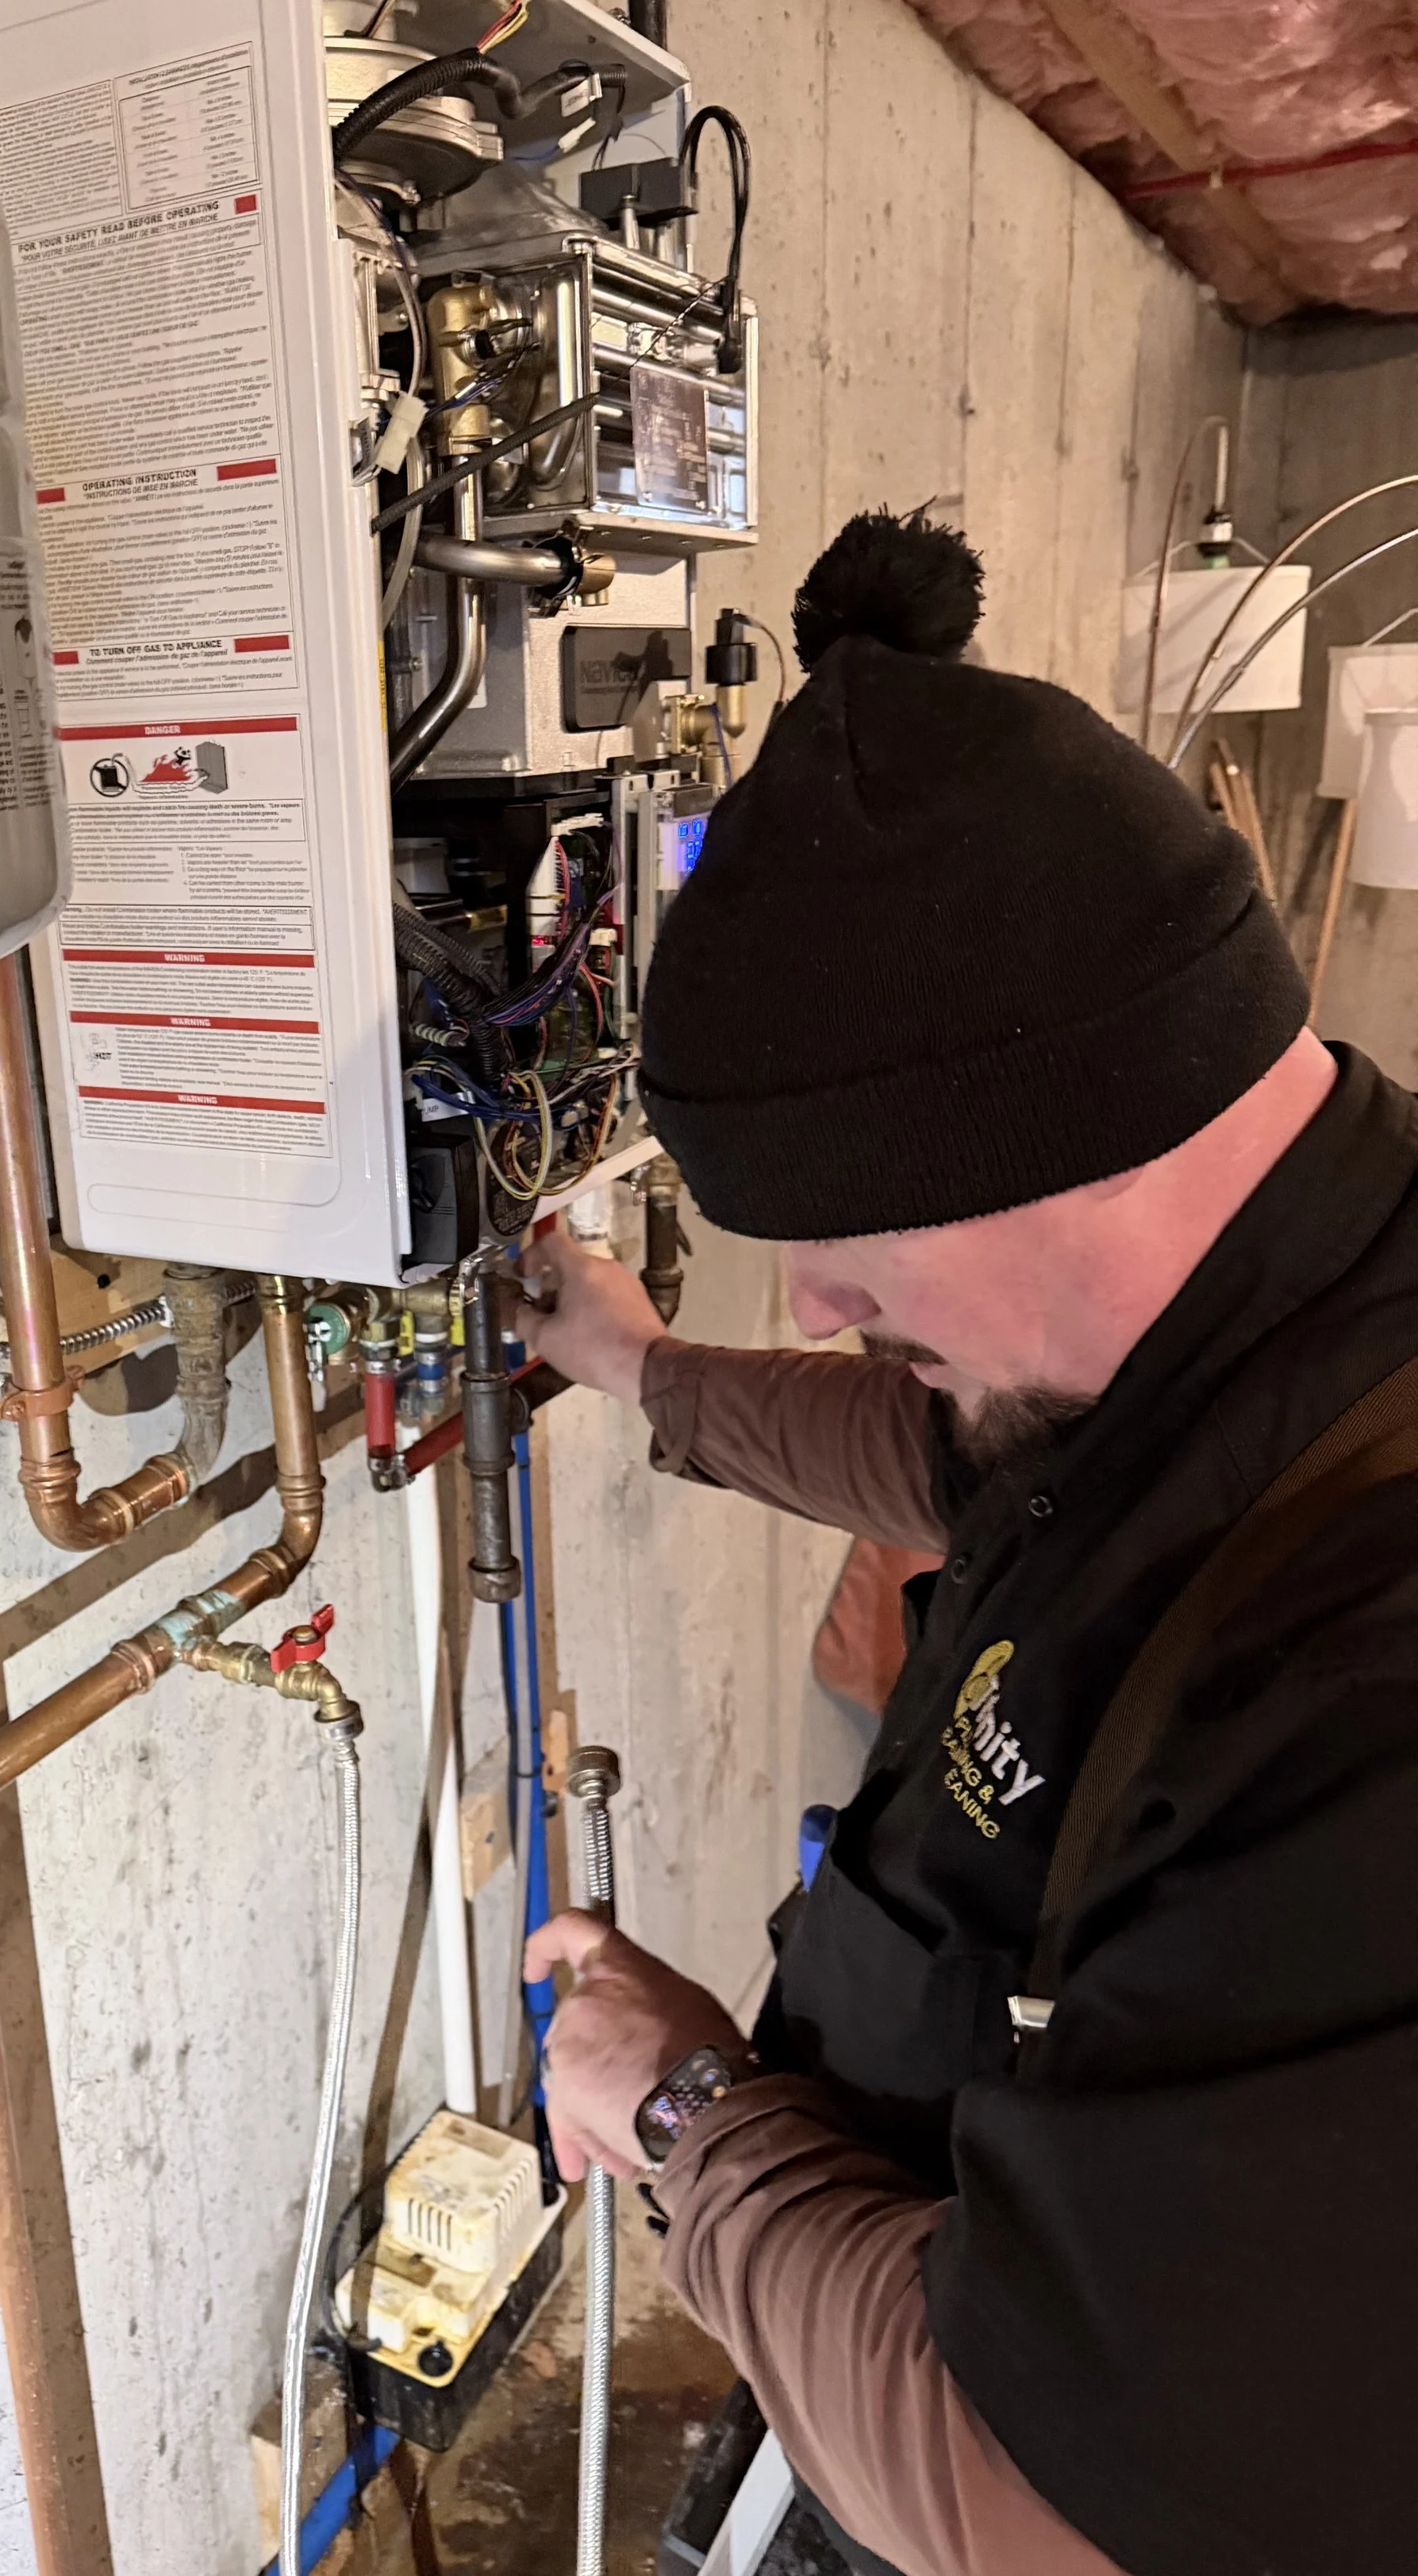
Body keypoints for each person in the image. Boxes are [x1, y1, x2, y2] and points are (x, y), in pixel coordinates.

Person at [517, 509, 1416, 2576]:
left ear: (1055, 1140)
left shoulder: (1362, 1719)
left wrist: (683, 2112)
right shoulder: (1287, 1286)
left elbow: (1037, 2504)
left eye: (842, 1238)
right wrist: (642, 1369)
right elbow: (967, 1451)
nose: (816, 1300)